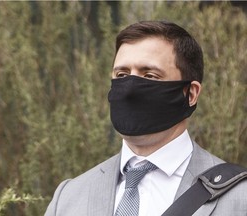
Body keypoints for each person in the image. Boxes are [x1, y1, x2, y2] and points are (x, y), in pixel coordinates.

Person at [45, 21, 247, 216]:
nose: (130, 89)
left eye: (150, 75)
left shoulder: (240, 197)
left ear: (191, 94)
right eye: (122, 75)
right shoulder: (69, 197)